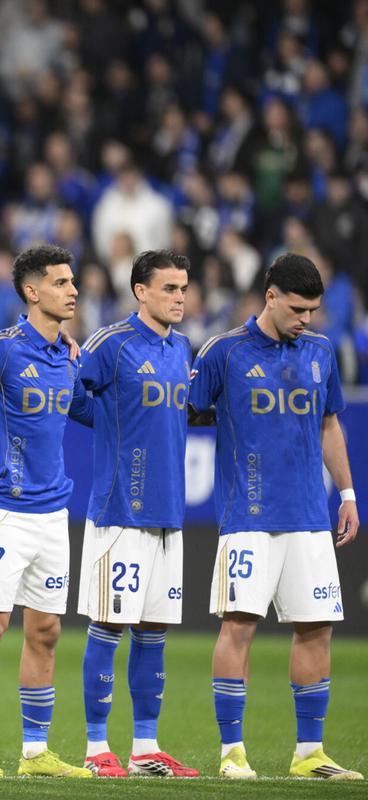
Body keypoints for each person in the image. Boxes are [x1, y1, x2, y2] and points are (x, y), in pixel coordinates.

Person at [189, 253, 362, 780]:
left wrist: (349, 493)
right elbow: (185, 409)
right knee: (238, 627)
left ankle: (310, 754)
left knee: (316, 628)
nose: (306, 319)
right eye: (297, 308)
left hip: (311, 515)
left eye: (312, 309)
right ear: (270, 296)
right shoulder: (224, 351)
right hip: (248, 515)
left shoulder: (321, 352)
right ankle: (232, 753)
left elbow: (330, 425)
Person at [0, 244, 93, 779]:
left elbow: (89, 411)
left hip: (54, 514)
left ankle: (36, 753)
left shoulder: (66, 357)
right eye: (61, 282)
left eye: (72, 281)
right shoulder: (2, 351)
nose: (73, 290)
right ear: (32, 292)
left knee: (47, 631)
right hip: (4, 511)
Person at [73, 250, 199, 777]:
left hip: (168, 514)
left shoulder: (182, 348)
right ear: (140, 291)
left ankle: (145, 749)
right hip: (119, 510)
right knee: (108, 626)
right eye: (168, 288)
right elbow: (67, 394)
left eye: (183, 288)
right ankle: (96, 747)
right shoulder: (111, 342)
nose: (179, 297)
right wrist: (108, 421)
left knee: (153, 633)